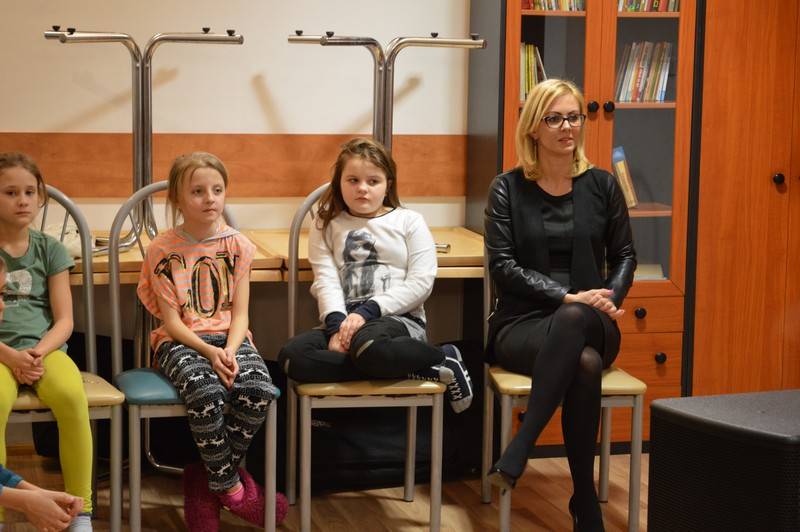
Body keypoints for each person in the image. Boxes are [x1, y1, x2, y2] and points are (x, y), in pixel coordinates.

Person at [484, 79, 636, 531]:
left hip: (592, 319)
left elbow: (625, 255)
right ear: (534, 128)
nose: (567, 127)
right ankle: (585, 500)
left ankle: (519, 448)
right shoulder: (507, 188)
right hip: (523, 323)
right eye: (554, 118)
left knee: (575, 322)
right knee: (584, 363)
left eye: (573, 117)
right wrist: (567, 296)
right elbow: (503, 267)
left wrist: (608, 299)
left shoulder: (602, 185)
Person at [137, 152, 286, 531]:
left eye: (217, 190)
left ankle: (206, 484)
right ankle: (231, 489)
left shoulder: (238, 245)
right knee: (206, 393)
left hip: (231, 339)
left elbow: (241, 314)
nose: (210, 199)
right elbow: (171, 323)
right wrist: (209, 351)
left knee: (259, 388)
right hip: (180, 342)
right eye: (198, 191)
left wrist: (230, 350)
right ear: (177, 199)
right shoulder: (162, 250)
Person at [278, 137, 473, 413]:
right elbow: (326, 280)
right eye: (353, 180)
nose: (362, 188)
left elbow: (420, 283)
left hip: (397, 320)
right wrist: (336, 327)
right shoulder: (326, 223)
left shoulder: (409, 221)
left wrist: (368, 311)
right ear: (339, 183)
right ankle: (415, 368)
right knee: (291, 358)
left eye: (373, 181)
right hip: (345, 322)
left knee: (368, 346)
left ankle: (443, 355)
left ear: (387, 185)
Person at [0, 153, 94, 531]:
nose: (22, 200)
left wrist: (38, 352)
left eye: (30, 192)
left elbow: (65, 320)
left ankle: (81, 511)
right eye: (10, 192)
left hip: (44, 350)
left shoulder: (50, 249)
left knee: (71, 397)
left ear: (40, 197)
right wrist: (12, 357)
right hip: (1, 353)